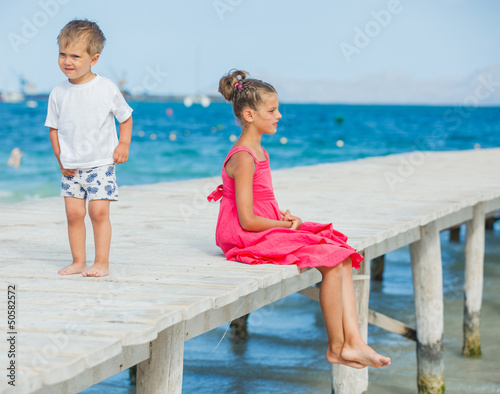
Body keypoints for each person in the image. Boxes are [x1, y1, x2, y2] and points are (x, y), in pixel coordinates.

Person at [207, 70, 390, 369]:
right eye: (272, 110)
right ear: (249, 115)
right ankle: (335, 347)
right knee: (330, 260)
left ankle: (354, 342)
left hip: (261, 225)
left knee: (341, 253)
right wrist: (282, 226)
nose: (279, 115)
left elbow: (260, 202)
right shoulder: (243, 157)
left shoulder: (259, 151)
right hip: (243, 234)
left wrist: (282, 216)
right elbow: (247, 219)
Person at [45, 19, 133, 277]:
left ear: (93, 59)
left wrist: (123, 144)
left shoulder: (105, 88)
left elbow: (125, 117)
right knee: (73, 214)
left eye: (75, 55)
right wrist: (60, 159)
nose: (67, 61)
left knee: (98, 212)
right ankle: (78, 261)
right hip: (71, 166)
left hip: (101, 163)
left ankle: (102, 263)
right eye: (62, 54)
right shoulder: (58, 92)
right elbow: (53, 128)